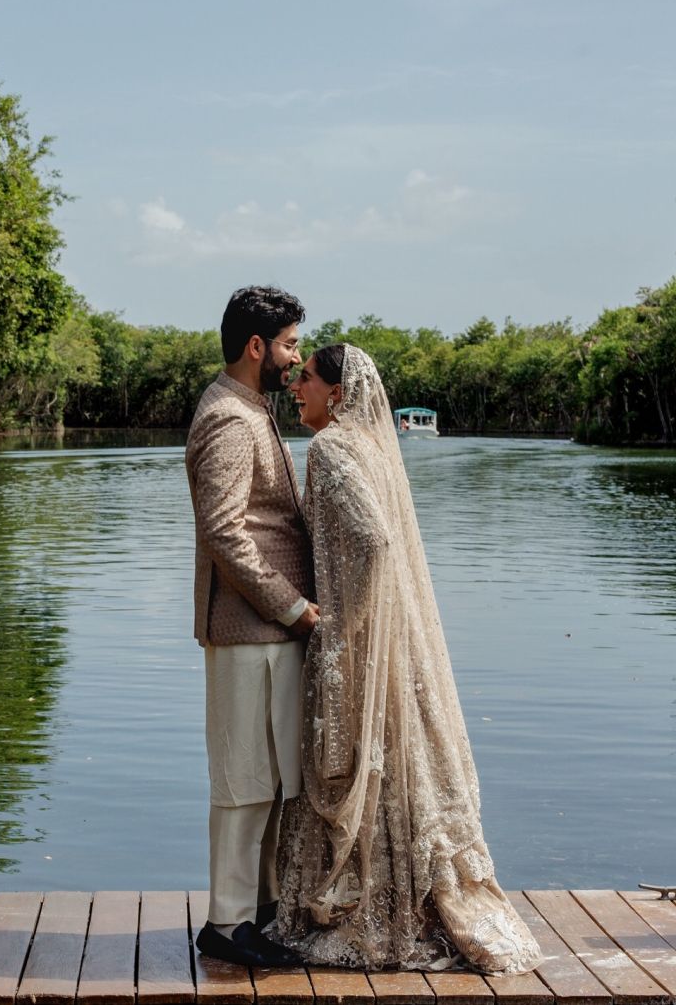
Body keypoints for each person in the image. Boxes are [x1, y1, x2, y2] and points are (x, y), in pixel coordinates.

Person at [271, 343, 542, 974]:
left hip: (359, 636)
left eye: (306, 379)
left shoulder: (332, 447)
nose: (296, 388)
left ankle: (373, 912)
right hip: (394, 635)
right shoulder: (372, 445)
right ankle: (411, 902)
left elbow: (374, 541)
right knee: (394, 759)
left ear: (338, 393)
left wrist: (345, 624)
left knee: (364, 763)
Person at [185, 286, 320, 969]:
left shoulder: (250, 408)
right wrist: (292, 607)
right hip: (248, 627)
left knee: (268, 779)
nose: (296, 358)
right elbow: (225, 533)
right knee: (243, 781)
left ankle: (258, 914)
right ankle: (227, 924)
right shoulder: (231, 419)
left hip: (265, 631)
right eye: (291, 345)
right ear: (256, 346)